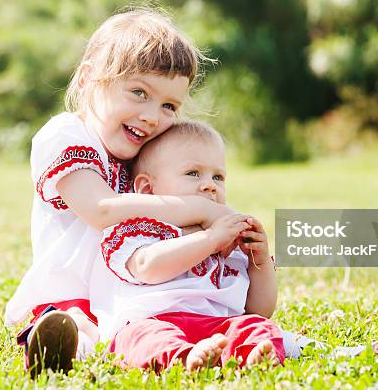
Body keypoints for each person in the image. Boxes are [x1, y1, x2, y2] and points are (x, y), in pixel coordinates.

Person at [4, 8, 237, 378]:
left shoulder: (145, 157)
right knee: (78, 326)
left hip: (132, 296)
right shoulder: (67, 135)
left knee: (153, 330)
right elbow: (100, 208)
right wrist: (197, 208)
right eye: (139, 92)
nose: (151, 116)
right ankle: (56, 348)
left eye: (168, 106)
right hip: (72, 293)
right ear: (87, 79)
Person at [90, 120, 285, 370]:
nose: (210, 185)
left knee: (259, 327)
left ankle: (252, 356)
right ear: (147, 189)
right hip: (154, 321)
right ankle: (182, 359)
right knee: (142, 338)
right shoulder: (138, 230)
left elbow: (259, 309)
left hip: (216, 326)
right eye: (193, 173)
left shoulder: (228, 237)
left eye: (218, 176)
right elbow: (147, 267)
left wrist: (258, 259)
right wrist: (209, 240)